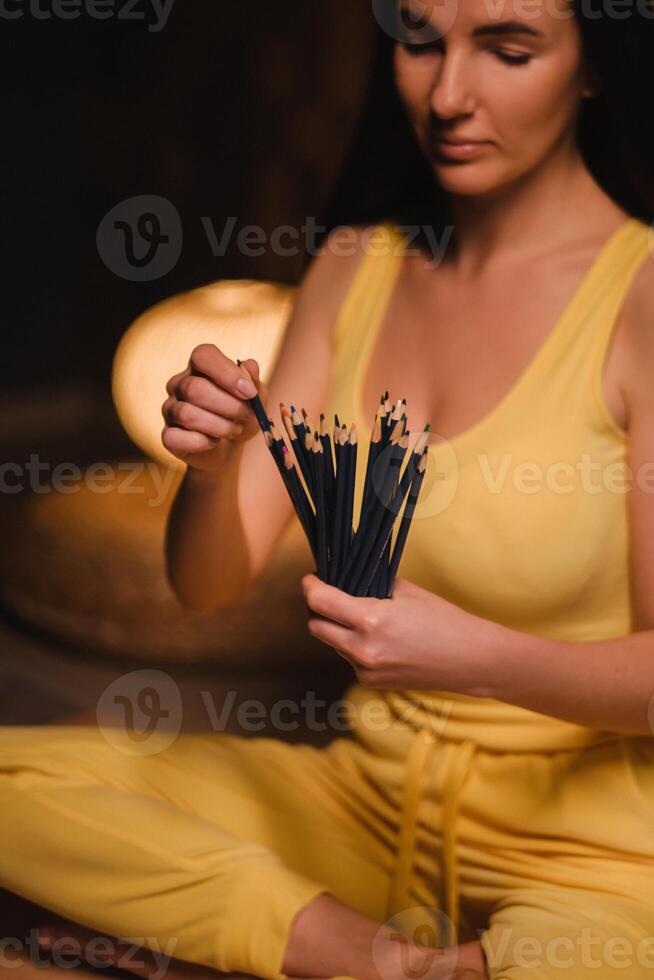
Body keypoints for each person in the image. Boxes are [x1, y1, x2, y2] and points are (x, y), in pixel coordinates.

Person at [1, 1, 654, 978]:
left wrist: (476, 657)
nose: (447, 95)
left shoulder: (640, 296)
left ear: (593, 67)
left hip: (595, 851)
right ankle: (349, 951)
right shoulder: (356, 269)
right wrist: (214, 469)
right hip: (365, 803)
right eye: (421, 41)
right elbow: (207, 587)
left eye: (509, 50)